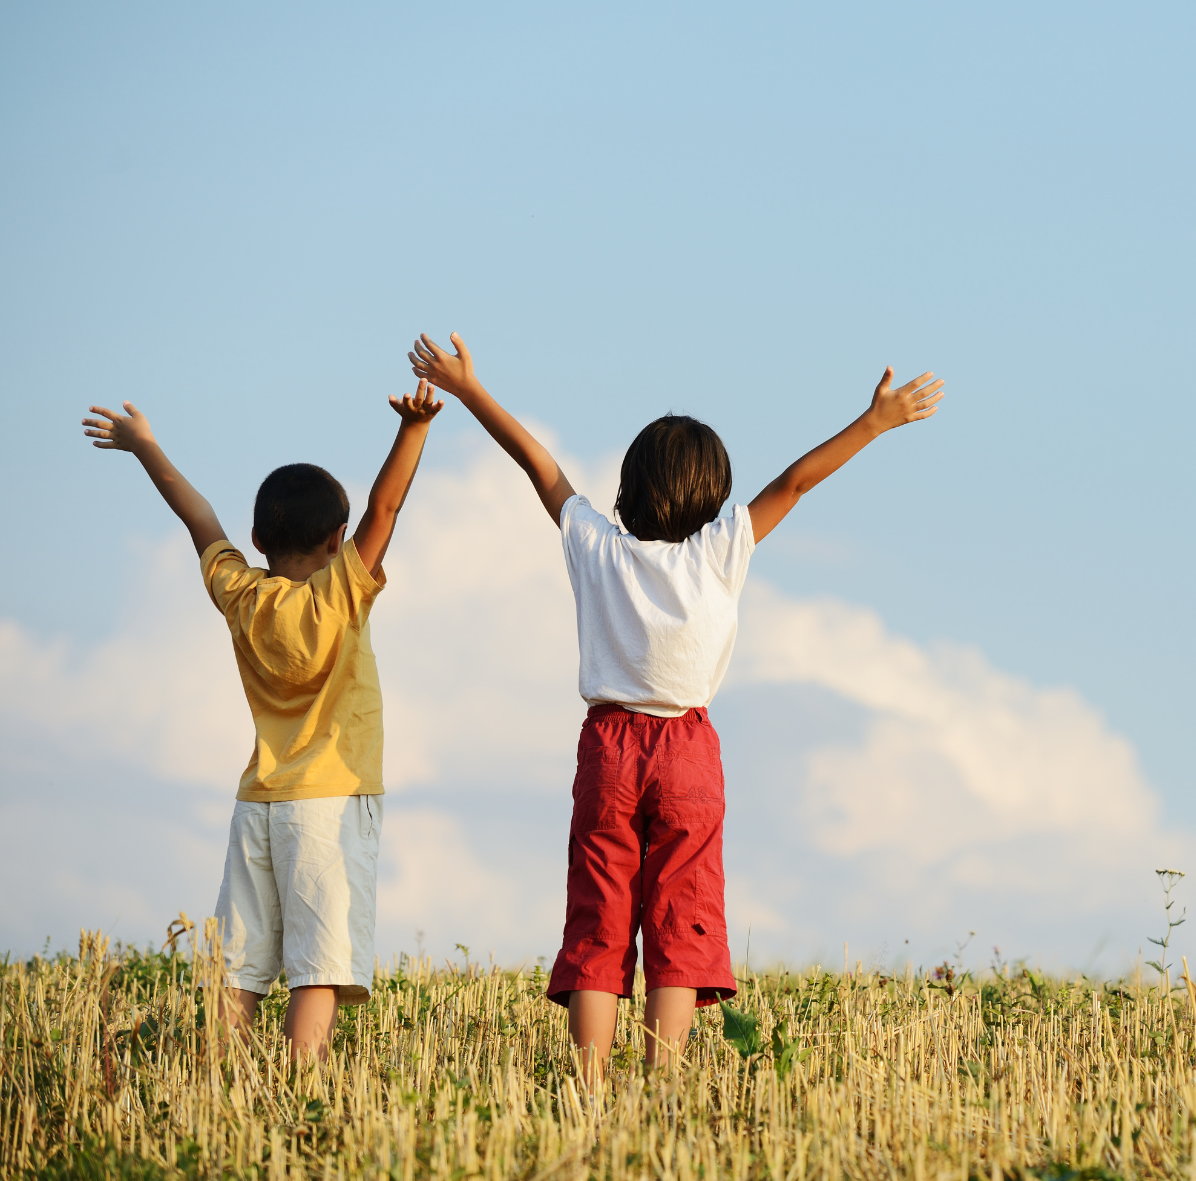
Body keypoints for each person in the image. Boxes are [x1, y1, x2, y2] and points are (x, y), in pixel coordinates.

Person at [406, 331, 943, 1076]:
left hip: (608, 749)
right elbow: (792, 483)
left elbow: (539, 464)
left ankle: (588, 1085)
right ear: (715, 497)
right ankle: (662, 1084)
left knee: (600, 911)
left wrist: (470, 391)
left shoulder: (595, 545)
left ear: (626, 493)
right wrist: (873, 423)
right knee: (681, 913)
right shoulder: (721, 551)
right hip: (688, 751)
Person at [81, 382, 445, 1058]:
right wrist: (415, 430)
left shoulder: (242, 592)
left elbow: (200, 521)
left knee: (239, 964)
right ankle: (300, 1084)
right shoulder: (341, 592)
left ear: (256, 539)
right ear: (339, 541)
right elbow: (386, 507)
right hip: (330, 804)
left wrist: (145, 447)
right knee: (320, 965)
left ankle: (221, 1076)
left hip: (259, 804)